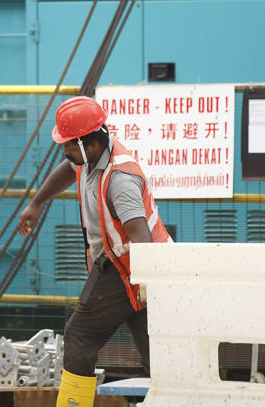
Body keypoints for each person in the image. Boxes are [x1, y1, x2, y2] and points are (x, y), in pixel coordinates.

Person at [18, 96, 172, 407]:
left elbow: (140, 236)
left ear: (90, 145)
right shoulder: (89, 156)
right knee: (158, 353)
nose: (65, 152)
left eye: (70, 146)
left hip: (131, 269)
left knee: (79, 335)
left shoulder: (120, 180)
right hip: (142, 272)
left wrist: (145, 286)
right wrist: (37, 202)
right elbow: (66, 168)